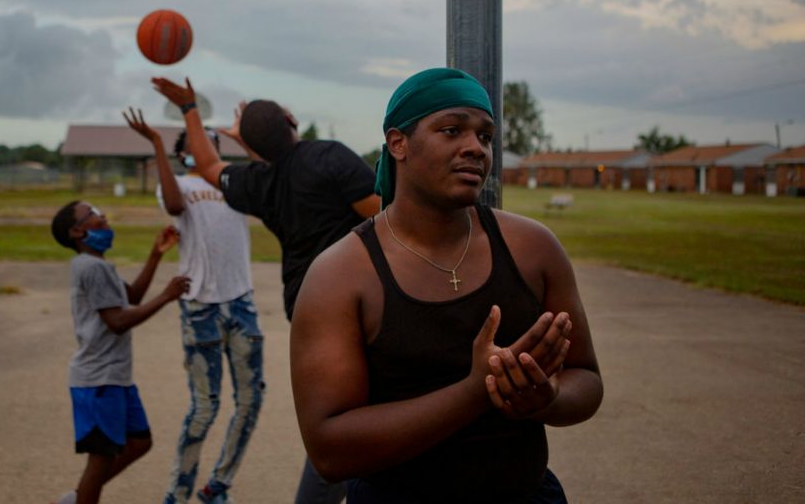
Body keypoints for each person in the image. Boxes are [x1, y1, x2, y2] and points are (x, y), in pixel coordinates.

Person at [289, 67, 603, 503]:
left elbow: (586, 378)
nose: (475, 148)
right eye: (452, 130)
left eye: (486, 136)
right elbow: (330, 450)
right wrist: (476, 391)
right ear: (398, 143)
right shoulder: (341, 275)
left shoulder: (533, 248)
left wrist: (545, 398)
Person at [150, 77, 382, 504]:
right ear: (293, 120)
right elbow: (388, 221)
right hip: (357, 304)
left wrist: (190, 109)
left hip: (308, 307)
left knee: (336, 426)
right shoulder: (328, 156)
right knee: (365, 420)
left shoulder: (258, 184)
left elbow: (208, 164)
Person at [123, 108, 264, 504]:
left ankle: (216, 486)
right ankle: (178, 492)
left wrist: (243, 140)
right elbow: (172, 206)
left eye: (214, 143)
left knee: (251, 401)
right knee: (205, 407)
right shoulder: (180, 184)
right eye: (199, 144)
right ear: (186, 153)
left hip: (241, 304)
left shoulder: (233, 184)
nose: (208, 147)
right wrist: (155, 143)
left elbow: (271, 180)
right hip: (200, 306)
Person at [50, 200, 191, 504]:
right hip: (98, 381)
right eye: (93, 214)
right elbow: (117, 322)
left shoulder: (100, 266)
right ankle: (82, 497)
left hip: (115, 378)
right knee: (99, 460)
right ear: (77, 231)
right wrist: (167, 296)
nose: (103, 217)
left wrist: (155, 254)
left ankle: (77, 498)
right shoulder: (91, 267)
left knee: (139, 442)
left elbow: (132, 297)